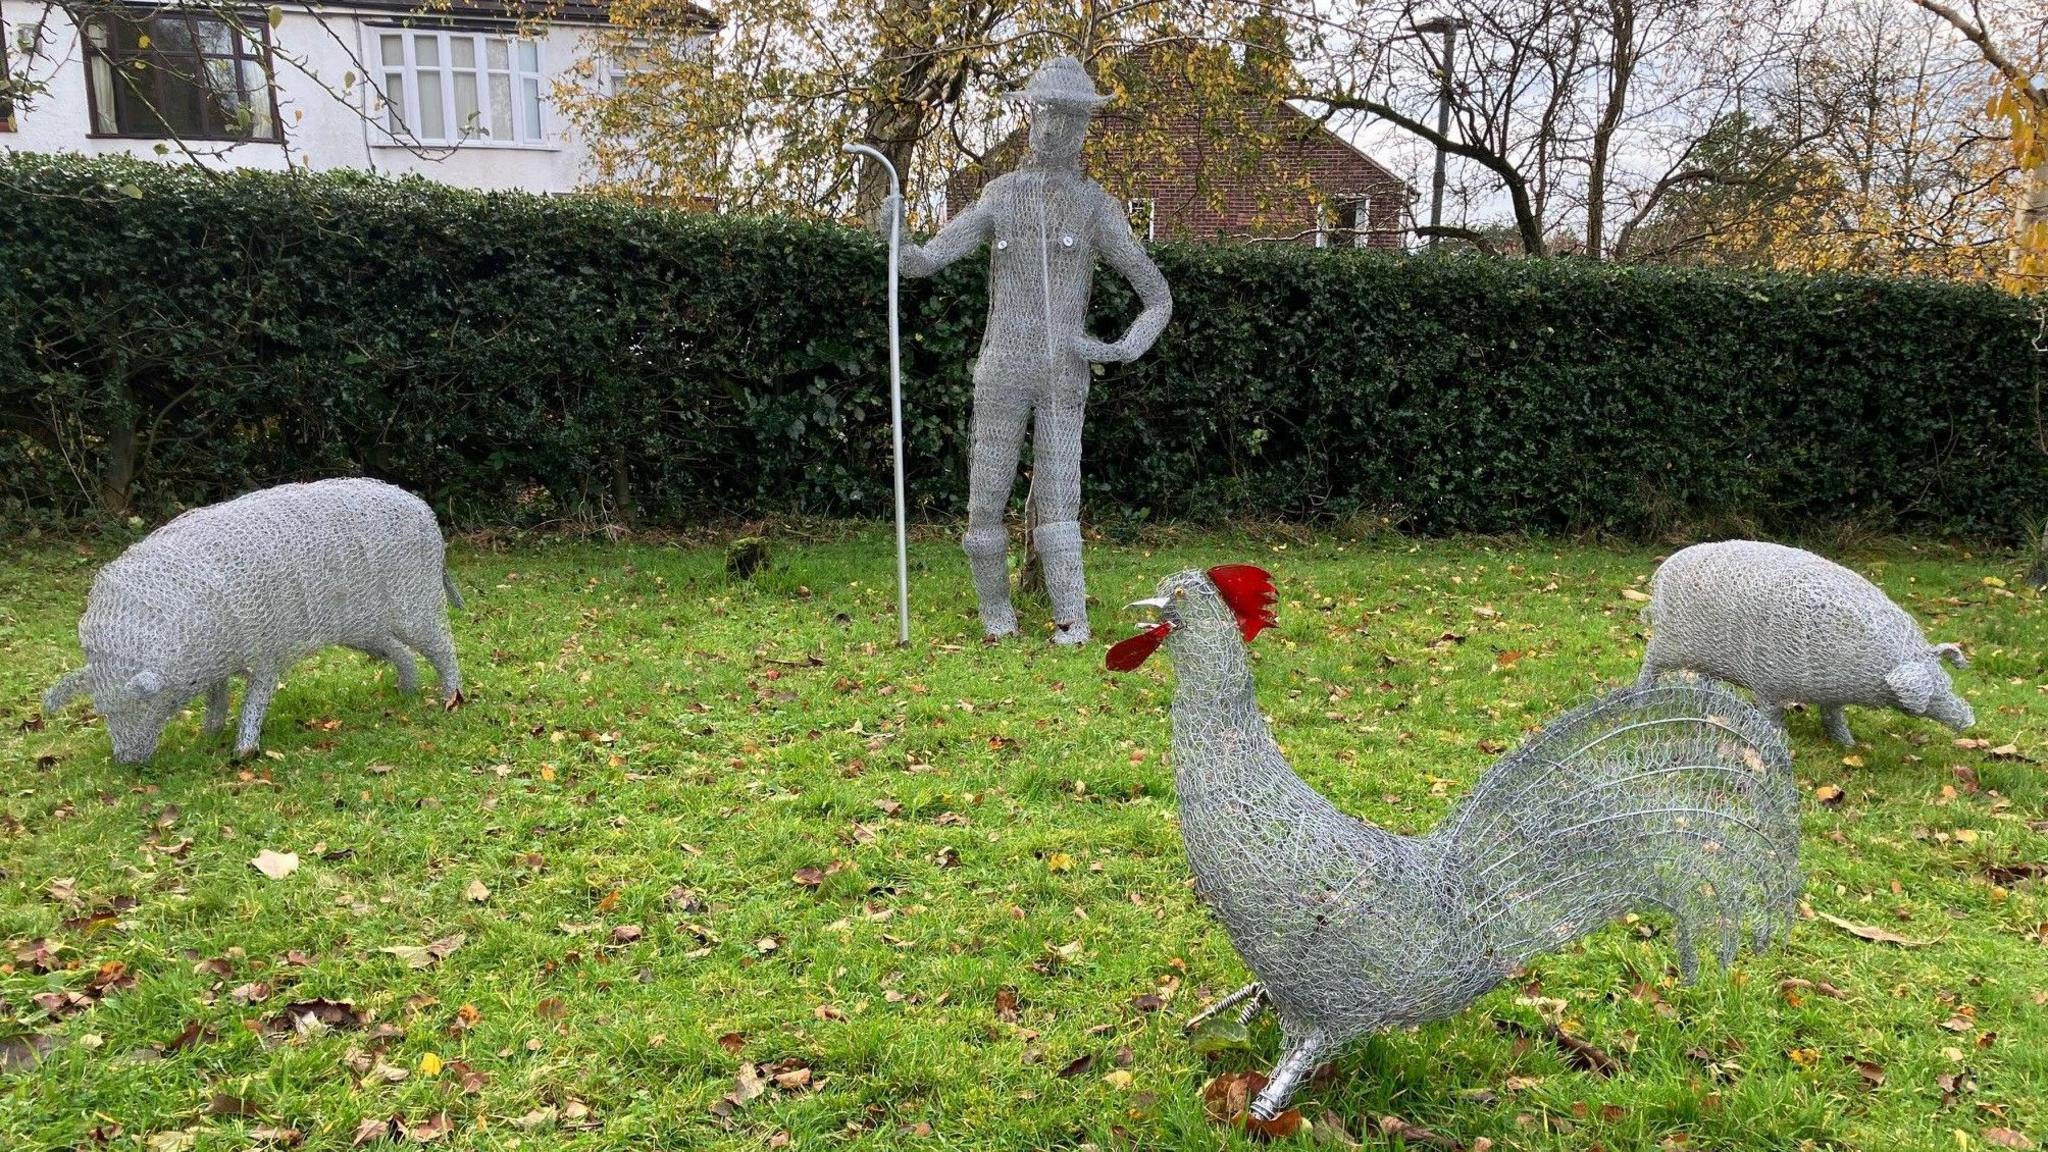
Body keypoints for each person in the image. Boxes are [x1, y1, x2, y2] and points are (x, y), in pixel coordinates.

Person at [896, 56, 1172, 645]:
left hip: (1063, 370)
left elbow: (1157, 297)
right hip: (1002, 366)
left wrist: (1121, 347)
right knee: (985, 496)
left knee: (1060, 499)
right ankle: (999, 617)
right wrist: (893, 231)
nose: (1052, 129)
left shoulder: (1095, 206)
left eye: (1067, 119)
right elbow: (924, 261)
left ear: (1083, 130)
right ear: (1031, 120)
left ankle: (1072, 618)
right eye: (1044, 115)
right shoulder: (1000, 195)